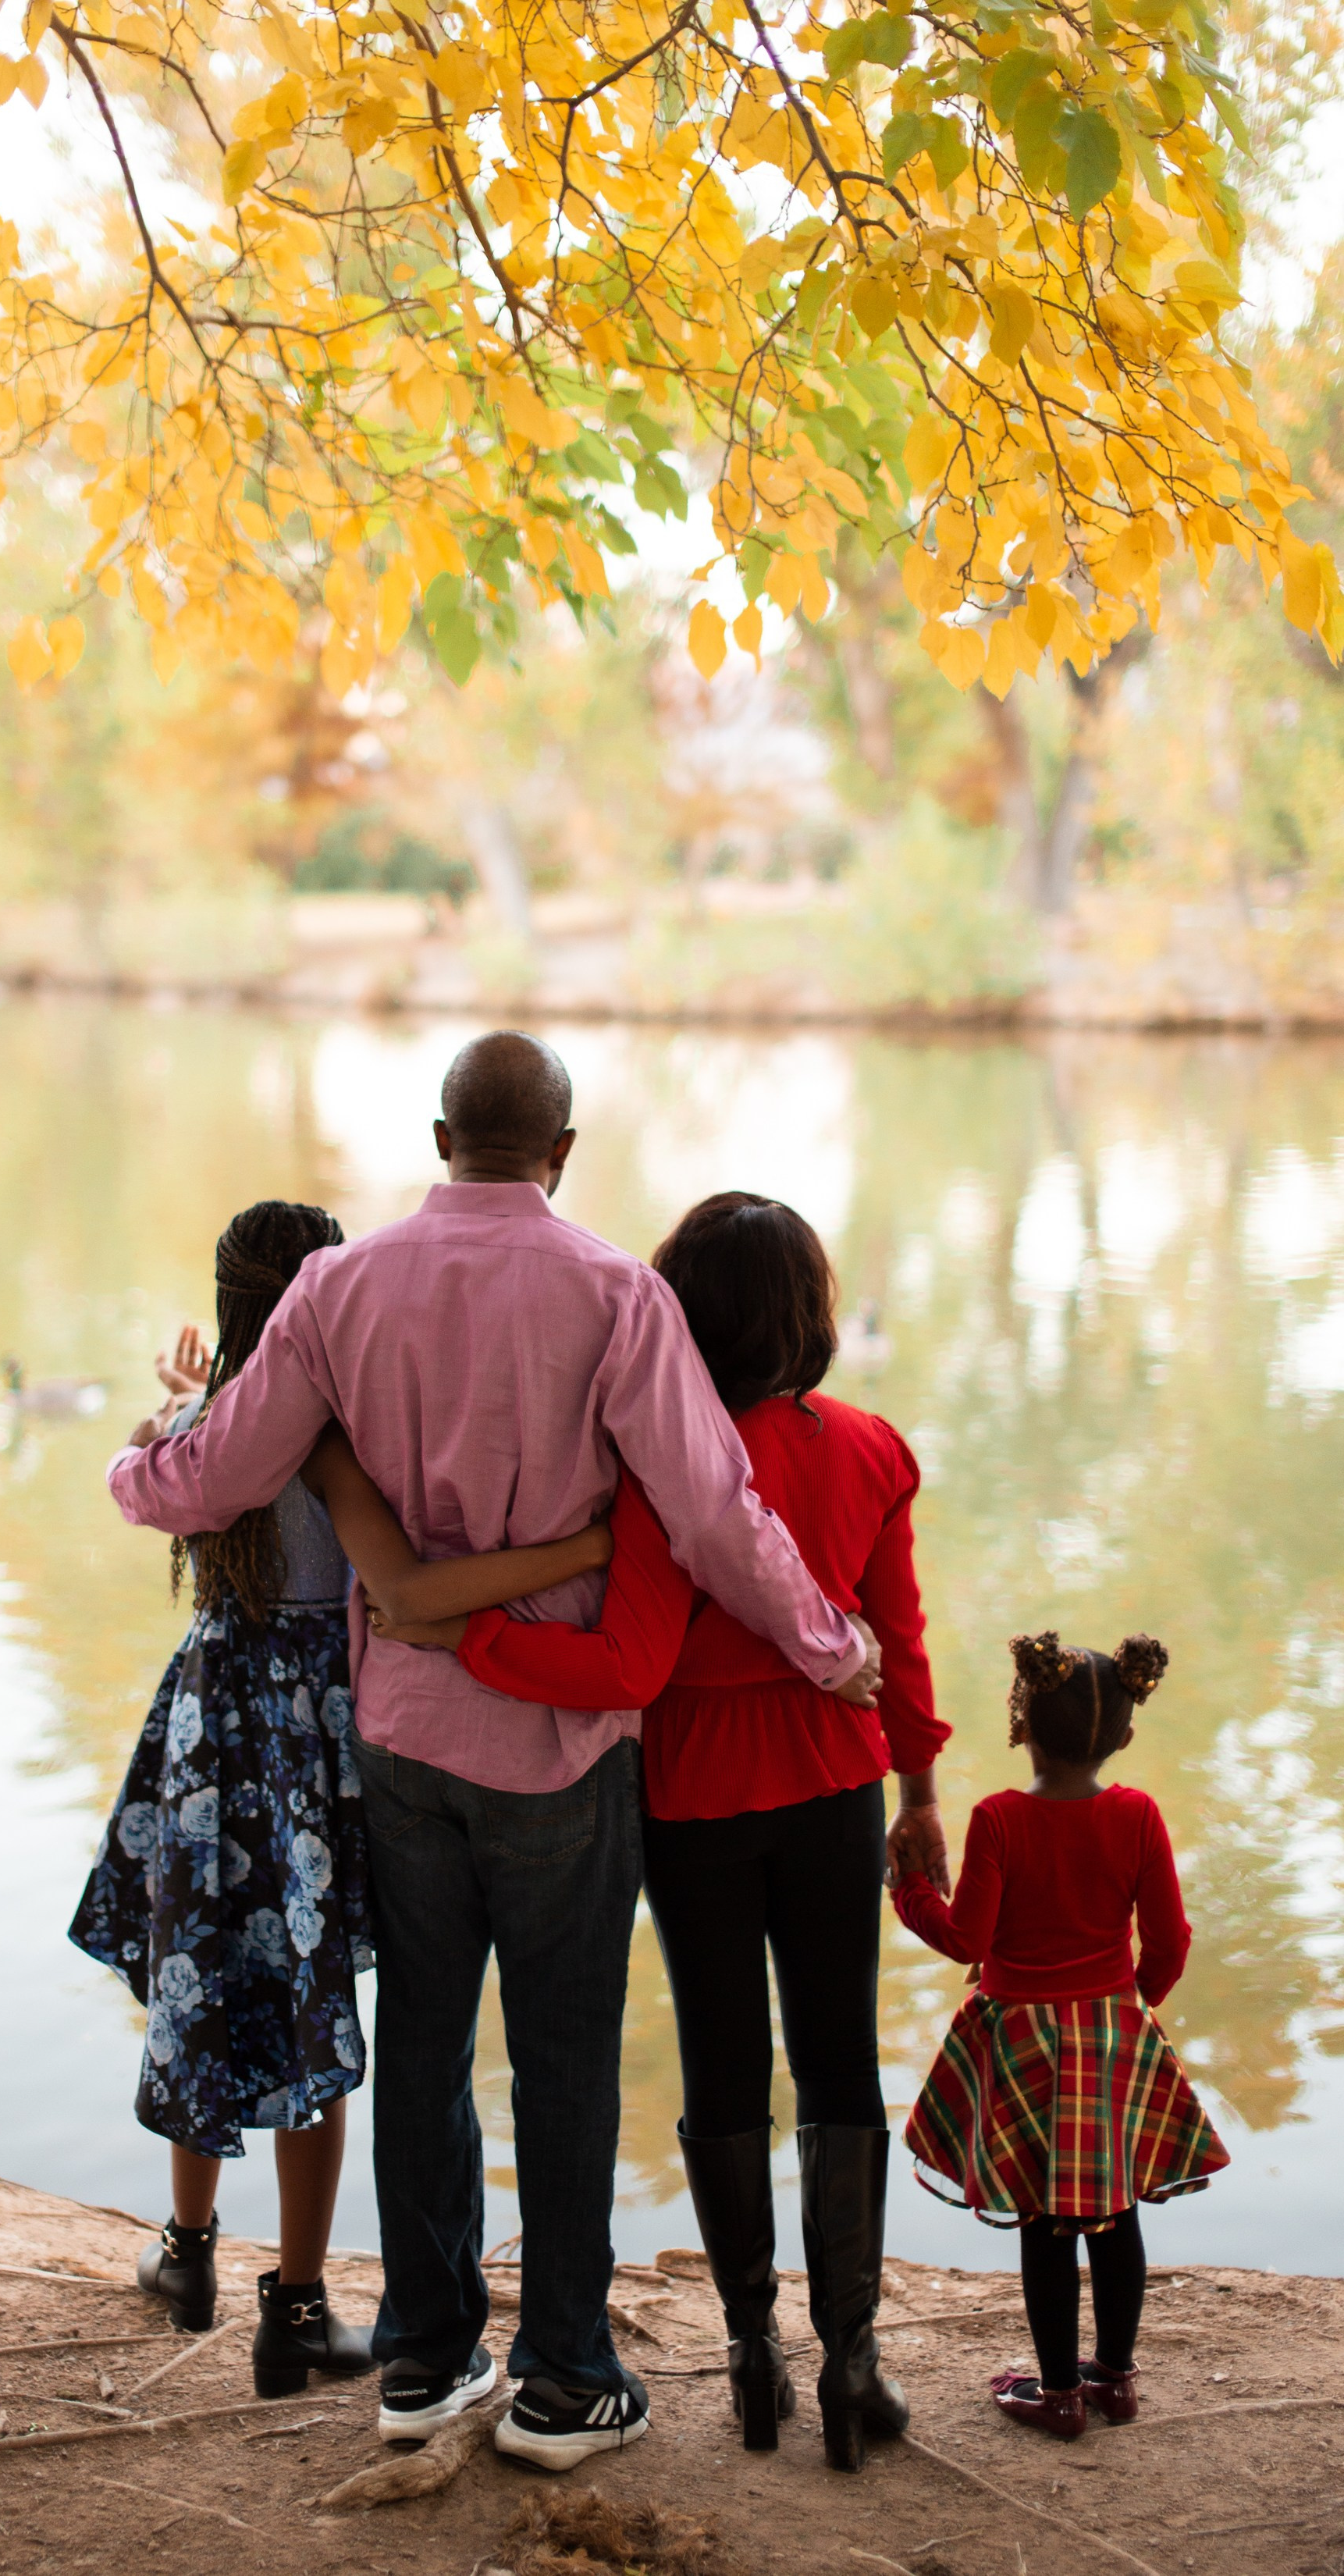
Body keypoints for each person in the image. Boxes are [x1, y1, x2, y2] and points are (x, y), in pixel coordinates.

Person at [105, 1034, 882, 2473]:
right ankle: (565, 2381)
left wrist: (127, 1468)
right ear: (562, 1153)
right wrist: (835, 1650)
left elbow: (217, 1475)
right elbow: (717, 1519)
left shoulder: (339, 1289)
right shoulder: (615, 1293)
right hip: (561, 1747)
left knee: (424, 2047)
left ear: (442, 1134)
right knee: (569, 2060)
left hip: (400, 1735)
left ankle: (422, 2357)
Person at [375, 1192, 948, 2471]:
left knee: (726, 2064)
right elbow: (897, 1644)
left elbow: (618, 1660)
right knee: (843, 2061)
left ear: (680, 1311)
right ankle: (853, 2363)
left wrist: (465, 1630)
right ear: (811, 1315)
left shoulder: (654, 1465)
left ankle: (754, 2358)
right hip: (833, 1786)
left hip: (691, 1799)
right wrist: (917, 1794)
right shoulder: (873, 1449)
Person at [73, 1199, 613, 2400]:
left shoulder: (209, 1429)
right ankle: (300, 2306)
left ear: (226, 1306)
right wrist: (582, 1554)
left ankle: (188, 2255)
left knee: (202, 1984)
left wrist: (159, 1416)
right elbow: (405, 1585)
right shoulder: (343, 1432)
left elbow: (152, 1471)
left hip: (211, 1732)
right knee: (308, 2011)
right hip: (317, 1741)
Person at [891, 1631, 1228, 2441]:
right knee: (1114, 2213)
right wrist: (1127, 2010)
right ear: (1123, 1734)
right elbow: (1171, 1939)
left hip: (1021, 2045)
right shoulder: (1138, 1814)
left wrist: (907, 1892)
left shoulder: (1000, 1819)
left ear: (1023, 1726)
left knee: (1045, 2222)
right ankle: (1113, 2380)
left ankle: (1055, 2394)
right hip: (1111, 2034)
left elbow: (968, 1939)